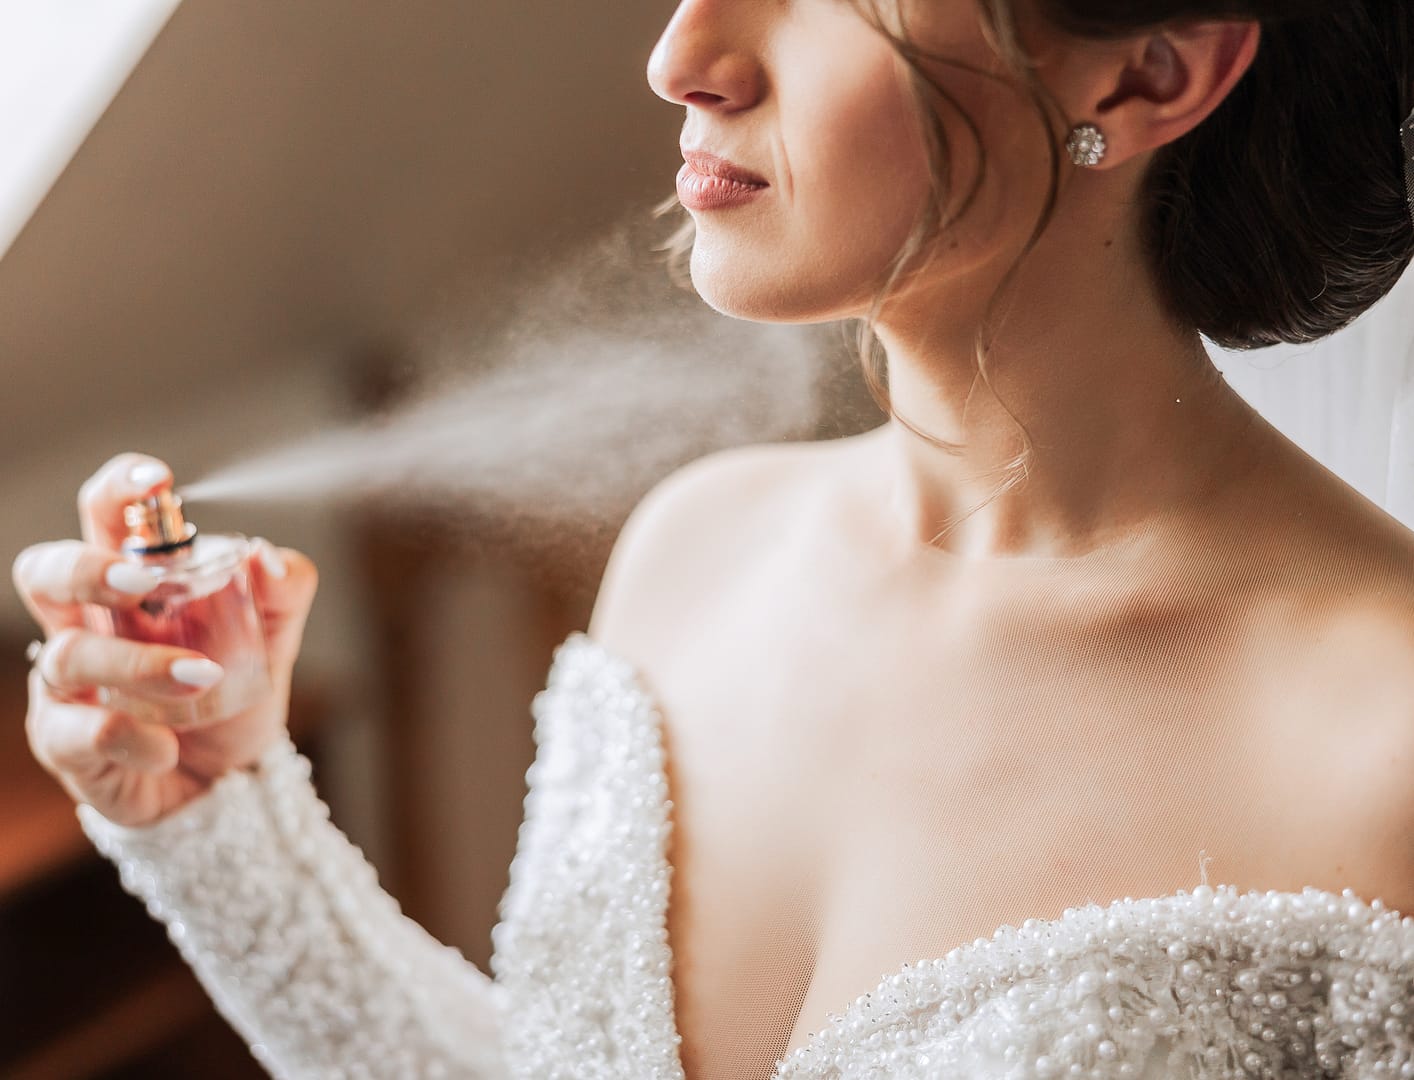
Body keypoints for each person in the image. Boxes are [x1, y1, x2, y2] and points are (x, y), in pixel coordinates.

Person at [13, 0, 1414, 1076]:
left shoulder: (1381, 744)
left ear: (1145, 73)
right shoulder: (694, 553)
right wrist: (218, 806)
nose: (682, 55)